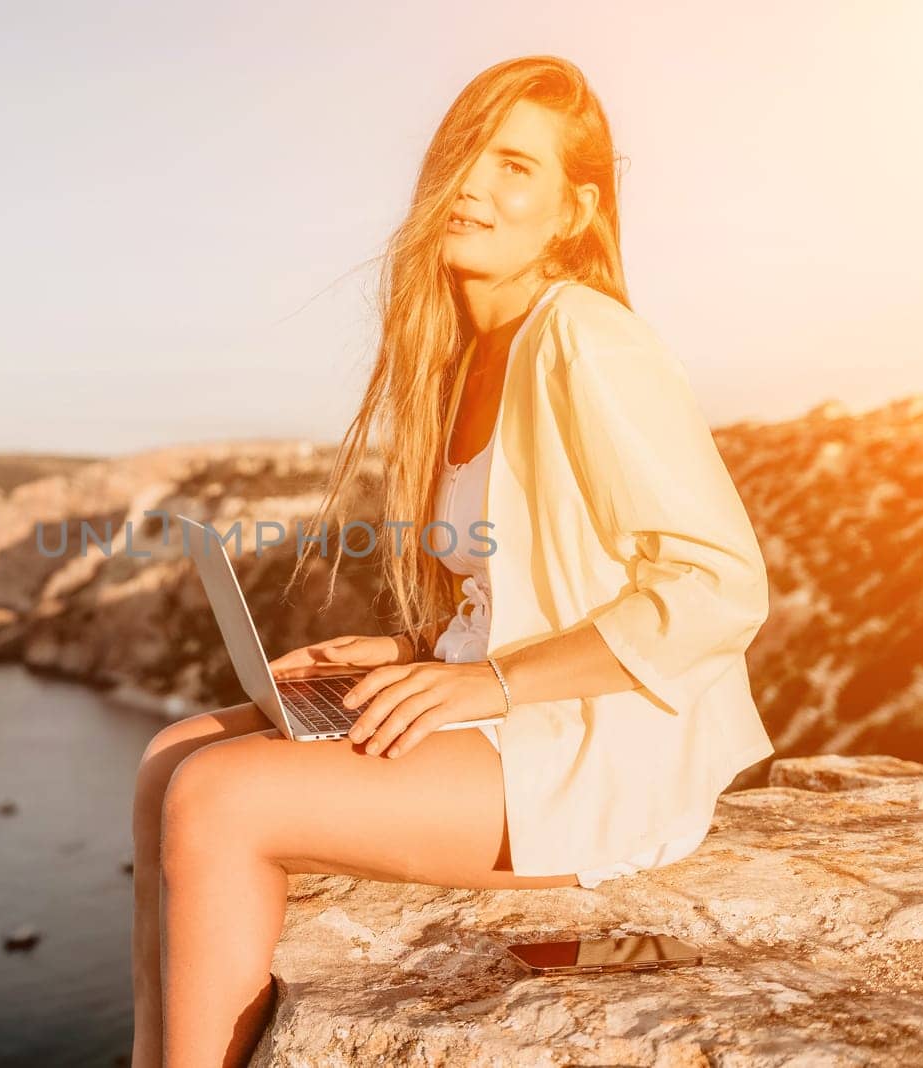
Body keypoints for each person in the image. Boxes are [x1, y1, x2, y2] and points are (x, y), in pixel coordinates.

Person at [130, 55, 776, 1068]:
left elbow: (716, 589)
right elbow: (532, 580)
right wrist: (410, 646)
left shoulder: (584, 338)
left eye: (515, 166)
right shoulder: (472, 355)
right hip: (509, 710)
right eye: (463, 155)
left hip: (592, 747)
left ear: (574, 210)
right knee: (169, 756)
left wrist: (485, 681)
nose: (474, 184)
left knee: (218, 798)